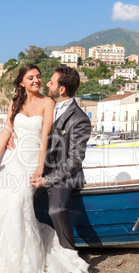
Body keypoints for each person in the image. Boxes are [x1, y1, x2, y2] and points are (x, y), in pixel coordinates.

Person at [0, 64, 90, 273]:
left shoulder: (48, 103)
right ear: (21, 82)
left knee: (18, 203)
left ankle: (23, 265)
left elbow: (45, 137)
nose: (37, 80)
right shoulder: (15, 103)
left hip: (32, 160)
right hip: (11, 158)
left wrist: (38, 167)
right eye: (31, 77)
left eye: (40, 77)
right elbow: (6, 131)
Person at [29, 66, 92, 250]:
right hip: (39, 168)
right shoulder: (46, 105)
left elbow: (74, 161)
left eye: (51, 82)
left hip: (64, 175)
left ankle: (69, 255)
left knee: (55, 210)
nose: (46, 84)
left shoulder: (79, 119)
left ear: (61, 89)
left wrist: (47, 180)